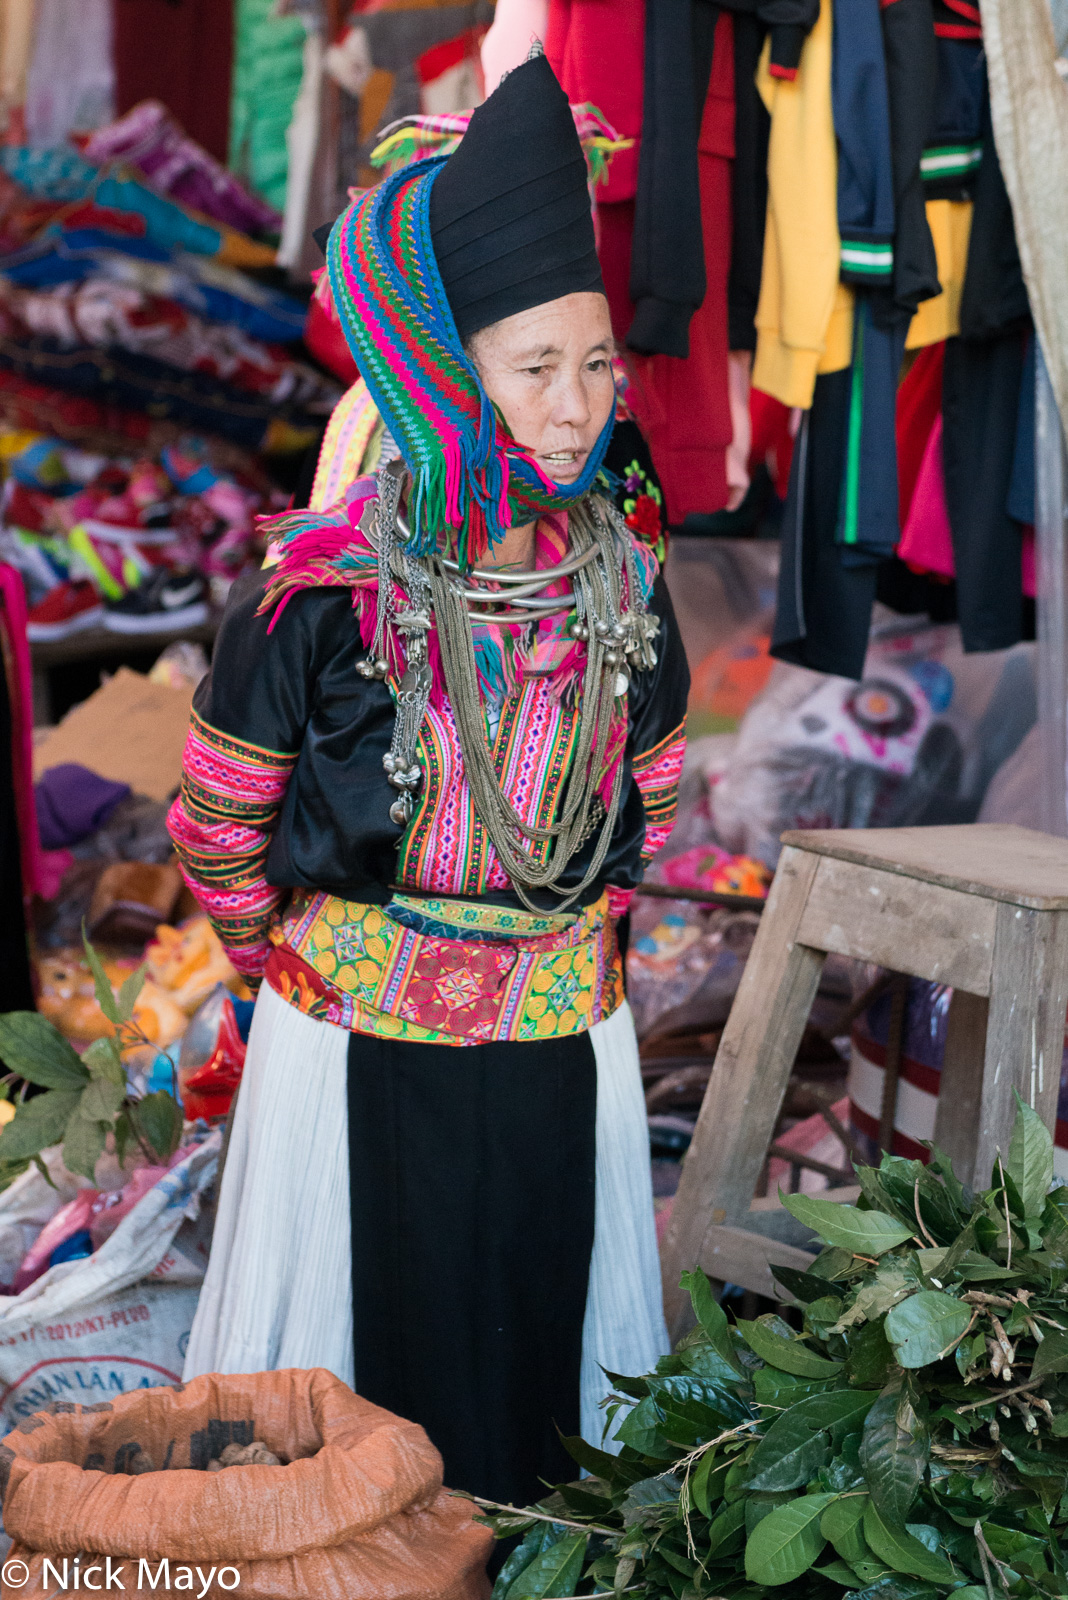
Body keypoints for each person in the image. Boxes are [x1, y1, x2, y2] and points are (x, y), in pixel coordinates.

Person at [169, 51, 689, 1508]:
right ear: (450, 369)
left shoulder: (622, 579)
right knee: (361, 1429)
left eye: (597, 363)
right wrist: (282, 968)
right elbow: (220, 823)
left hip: (559, 1054)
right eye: (536, 369)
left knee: (535, 1424)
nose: (577, 405)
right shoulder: (327, 595)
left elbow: (649, 802)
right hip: (352, 1055)